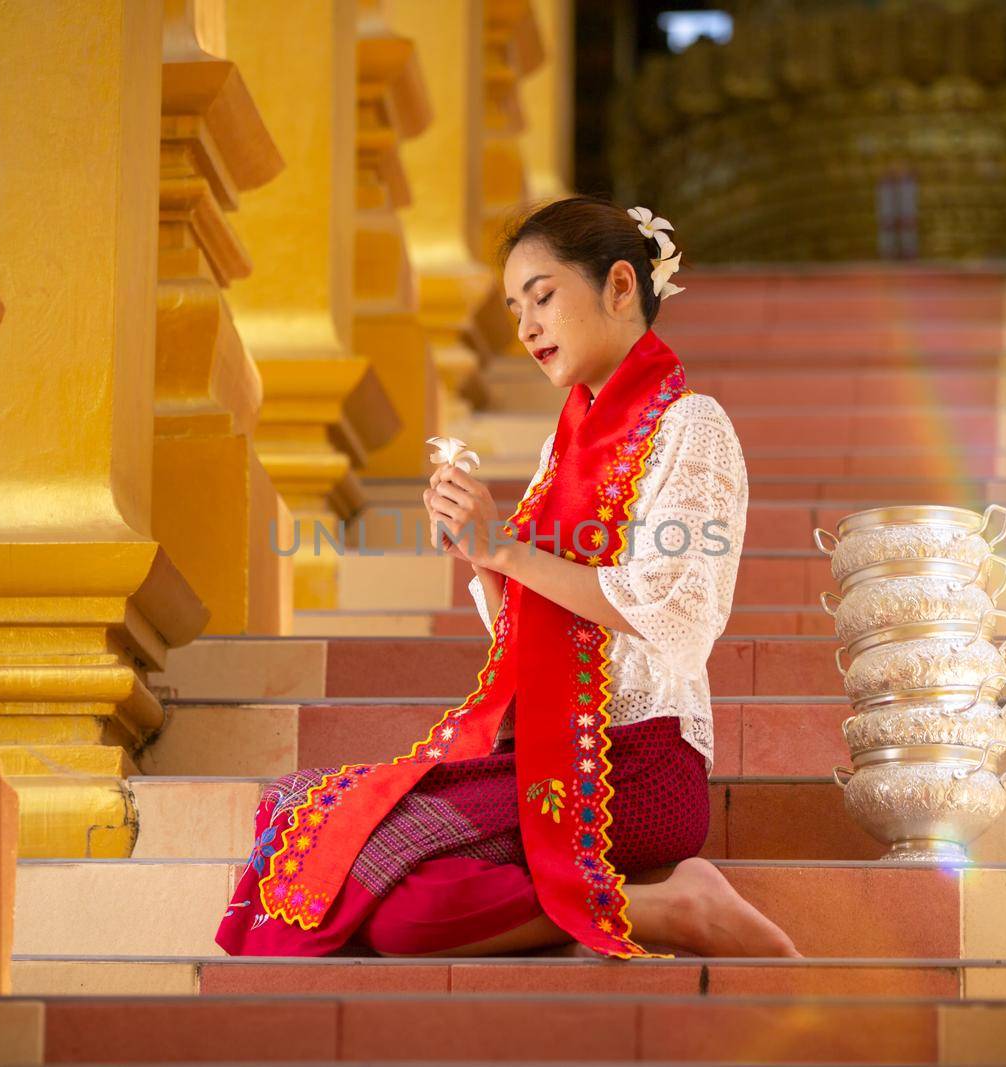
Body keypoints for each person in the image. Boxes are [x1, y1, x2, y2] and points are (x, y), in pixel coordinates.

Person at [215, 195, 800, 960]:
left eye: (544, 297)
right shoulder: (563, 454)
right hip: (544, 748)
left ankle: (683, 909)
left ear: (620, 286)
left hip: (640, 761)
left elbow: (676, 612)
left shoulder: (691, 426)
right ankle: (648, 904)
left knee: (402, 911)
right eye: (514, 307)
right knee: (328, 832)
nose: (525, 327)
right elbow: (532, 635)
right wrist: (479, 553)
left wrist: (507, 549)